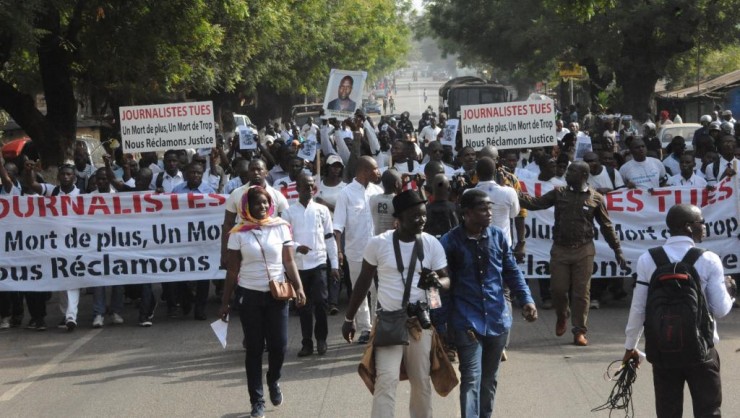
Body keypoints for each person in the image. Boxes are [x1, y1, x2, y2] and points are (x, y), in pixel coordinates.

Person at [342, 190, 450, 418]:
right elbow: (363, 282)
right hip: (389, 322)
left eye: (423, 215)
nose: (421, 220)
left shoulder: (431, 243)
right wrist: (349, 319)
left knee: (421, 382)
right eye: (415, 216)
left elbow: (447, 279)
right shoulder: (378, 244)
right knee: (386, 381)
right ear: (398, 219)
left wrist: (438, 283)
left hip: (420, 325)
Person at [622, 204, 733, 417]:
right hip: (702, 351)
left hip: (663, 350)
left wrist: (630, 346)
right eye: (701, 222)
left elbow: (639, 308)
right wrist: (729, 291)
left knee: (668, 411)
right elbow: (720, 310)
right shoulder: (708, 259)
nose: (704, 226)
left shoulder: (648, 259)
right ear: (688, 227)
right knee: (709, 410)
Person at [441, 189, 537, 418]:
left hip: (497, 318)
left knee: (489, 379)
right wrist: (441, 324)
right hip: (466, 321)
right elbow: (440, 286)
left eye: (490, 208)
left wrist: (527, 300)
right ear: (467, 213)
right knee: (471, 377)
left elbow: (512, 272)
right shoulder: (449, 242)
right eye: (483, 209)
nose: (489, 213)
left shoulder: (498, 236)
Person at [219, 186, 306, 418]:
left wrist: (299, 287)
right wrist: (225, 302)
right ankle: (256, 401)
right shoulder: (238, 232)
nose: (263, 207)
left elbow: (289, 261)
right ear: (247, 206)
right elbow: (232, 271)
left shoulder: (280, 227)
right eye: (258, 203)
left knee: (280, 346)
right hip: (249, 296)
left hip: (277, 295)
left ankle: (273, 379)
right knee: (254, 350)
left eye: (266, 203)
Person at [519, 161, 626, 346]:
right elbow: (535, 203)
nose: (567, 174)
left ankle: (579, 331)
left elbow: (607, 226)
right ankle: (562, 315)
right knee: (558, 290)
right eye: (567, 171)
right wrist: (512, 190)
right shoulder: (559, 193)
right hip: (561, 249)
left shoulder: (596, 198)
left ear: (583, 175)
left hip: (584, 249)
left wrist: (617, 250)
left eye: (572, 171)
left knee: (581, 293)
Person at [281, 174, 339, 357]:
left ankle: (321, 339)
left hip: (319, 262)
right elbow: (285, 239)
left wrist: (335, 265)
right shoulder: (289, 212)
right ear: (297, 189)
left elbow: (330, 238)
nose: (309, 190)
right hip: (298, 266)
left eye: (312, 187)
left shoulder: (322, 210)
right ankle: (307, 343)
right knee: (303, 305)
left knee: (321, 302)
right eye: (305, 187)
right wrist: (298, 247)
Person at [24, 161, 82, 331]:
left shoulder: (82, 194)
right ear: (58, 177)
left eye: (68, 174)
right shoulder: (52, 191)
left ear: (74, 178)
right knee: (61, 280)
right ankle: (66, 315)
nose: (65, 177)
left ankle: (71, 316)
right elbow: (32, 184)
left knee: (72, 280)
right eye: (62, 174)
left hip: (75, 244)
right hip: (54, 244)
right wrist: (29, 172)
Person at [333, 156, 383, 344]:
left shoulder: (378, 191)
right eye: (375, 169)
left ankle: (377, 327)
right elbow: (338, 226)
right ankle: (365, 328)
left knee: (378, 290)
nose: (378, 172)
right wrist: (338, 251)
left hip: (378, 249)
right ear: (364, 171)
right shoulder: (346, 193)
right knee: (359, 291)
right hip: (356, 252)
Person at [370, 169, 401, 235]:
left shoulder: (373, 198)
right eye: (400, 180)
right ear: (397, 184)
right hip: (391, 240)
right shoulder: (398, 201)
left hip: (377, 239)